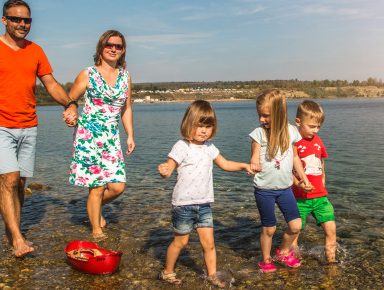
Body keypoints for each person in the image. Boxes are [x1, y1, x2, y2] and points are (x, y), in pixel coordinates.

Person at [0, 0, 78, 258]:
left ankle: (10, 230)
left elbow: (50, 83)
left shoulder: (35, 50)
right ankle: (17, 239)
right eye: (16, 19)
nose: (22, 24)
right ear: (4, 20)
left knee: (20, 183)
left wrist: (70, 103)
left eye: (27, 20)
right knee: (9, 179)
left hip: (28, 124)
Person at [157, 100, 257, 287]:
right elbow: (169, 167)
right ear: (189, 124)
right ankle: (167, 272)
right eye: (199, 126)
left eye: (208, 126)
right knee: (180, 242)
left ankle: (212, 275)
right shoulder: (182, 146)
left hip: (204, 205)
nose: (204, 131)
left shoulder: (210, 147)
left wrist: (244, 165)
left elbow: (225, 164)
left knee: (209, 243)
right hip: (183, 205)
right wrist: (165, 171)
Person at [67, 30, 135, 239]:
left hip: (111, 137)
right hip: (89, 136)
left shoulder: (125, 76)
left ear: (122, 50)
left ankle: (93, 208)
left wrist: (130, 135)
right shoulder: (88, 74)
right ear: (101, 47)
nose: (113, 49)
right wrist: (71, 112)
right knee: (96, 188)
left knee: (117, 187)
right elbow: (70, 99)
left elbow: (126, 108)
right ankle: (96, 230)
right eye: (109, 45)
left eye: (118, 46)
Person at [249, 89, 313, 273]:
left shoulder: (292, 132)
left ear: (279, 113)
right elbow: (254, 158)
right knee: (269, 229)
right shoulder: (258, 134)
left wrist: (303, 178)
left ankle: (283, 252)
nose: (261, 119)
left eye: (266, 115)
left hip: (285, 189)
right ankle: (266, 259)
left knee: (295, 225)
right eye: (260, 115)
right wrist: (253, 165)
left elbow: (295, 158)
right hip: (264, 189)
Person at [290, 100, 339, 263]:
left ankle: (331, 259)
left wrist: (323, 178)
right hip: (299, 198)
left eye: (318, 127)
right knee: (294, 231)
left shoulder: (317, 141)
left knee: (331, 227)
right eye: (311, 126)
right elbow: (286, 167)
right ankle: (294, 259)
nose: (315, 130)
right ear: (298, 122)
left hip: (320, 196)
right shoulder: (293, 142)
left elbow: (321, 160)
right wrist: (297, 183)